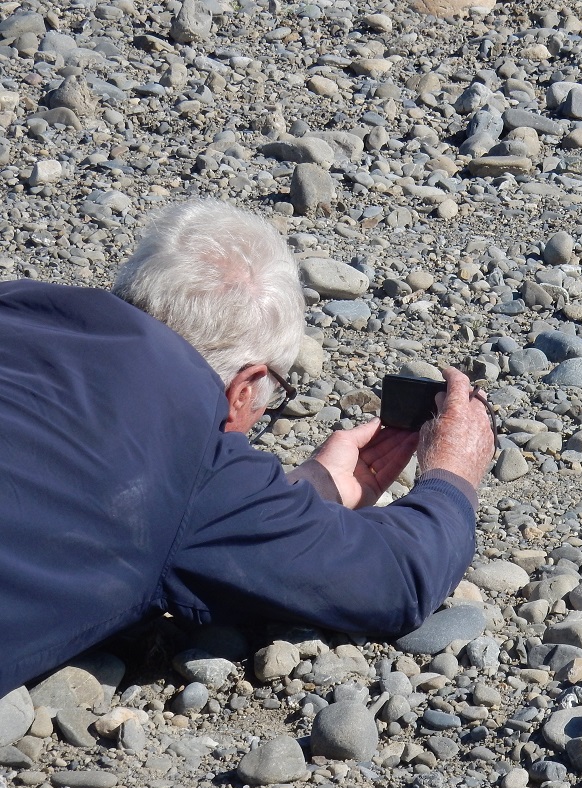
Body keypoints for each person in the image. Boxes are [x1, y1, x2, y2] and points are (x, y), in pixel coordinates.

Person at [0, 199, 494, 698]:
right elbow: (400, 579)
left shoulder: (15, 303)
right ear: (245, 387)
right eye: (271, 397)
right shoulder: (189, 464)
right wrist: (453, 471)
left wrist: (303, 494)